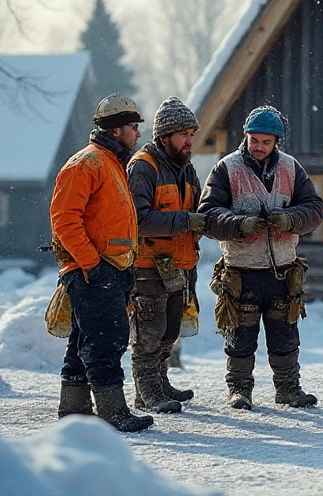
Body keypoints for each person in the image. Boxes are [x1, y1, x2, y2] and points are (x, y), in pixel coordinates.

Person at [199, 105, 323, 411]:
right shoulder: (226, 168)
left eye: (266, 142)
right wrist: (238, 225)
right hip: (241, 271)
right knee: (240, 334)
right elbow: (207, 214)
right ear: (245, 136)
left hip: (282, 270)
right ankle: (240, 390)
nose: (259, 146)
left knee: (285, 334)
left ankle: (288, 389)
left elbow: (315, 208)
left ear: (276, 142)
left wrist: (290, 219)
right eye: (254, 140)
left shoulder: (292, 168)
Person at [49, 93, 153, 433]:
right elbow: (64, 219)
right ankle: (113, 411)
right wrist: (91, 263)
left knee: (86, 338)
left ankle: (75, 407)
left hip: (108, 268)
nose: (139, 134)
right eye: (133, 128)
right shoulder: (88, 163)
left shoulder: (109, 162)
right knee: (106, 340)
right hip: (94, 269)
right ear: (116, 130)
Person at [126, 96, 205, 414]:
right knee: (148, 333)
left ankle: (160, 382)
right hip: (147, 266)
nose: (189, 141)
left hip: (179, 265)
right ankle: (146, 392)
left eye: (192, 134)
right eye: (184, 134)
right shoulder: (143, 168)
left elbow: (201, 210)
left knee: (170, 331)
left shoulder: (186, 169)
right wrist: (187, 221)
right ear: (164, 136)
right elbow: (139, 221)